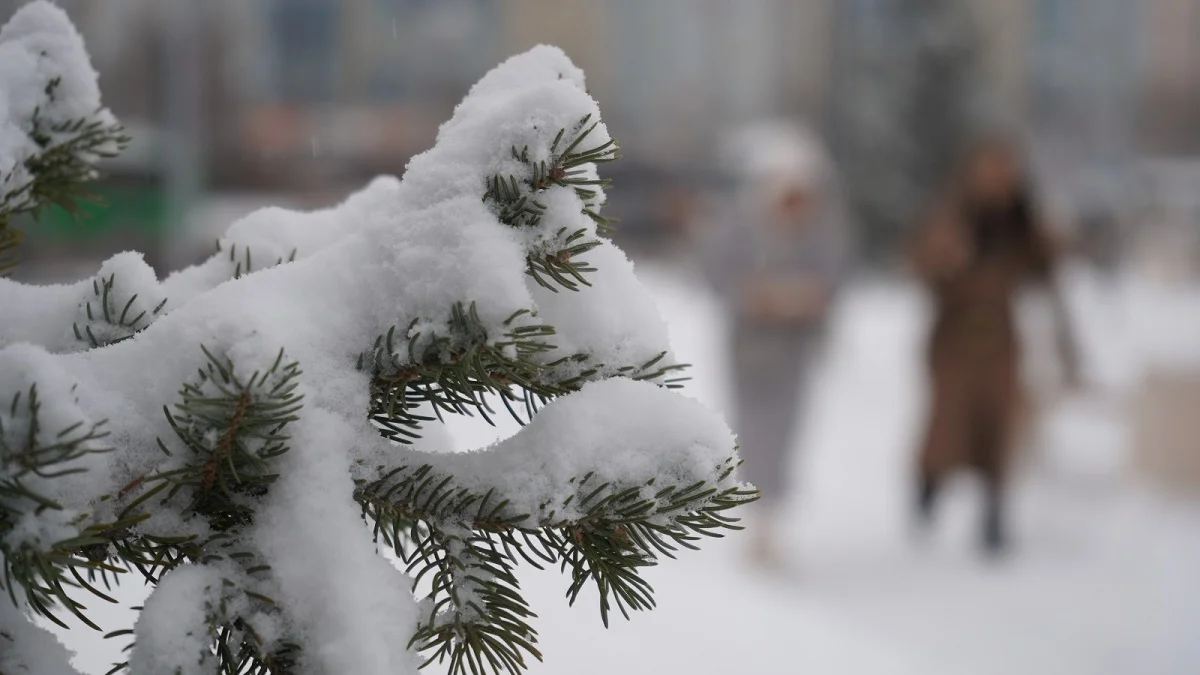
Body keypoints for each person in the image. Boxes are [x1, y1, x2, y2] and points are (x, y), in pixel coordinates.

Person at [910, 136, 1080, 555]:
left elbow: (1048, 270)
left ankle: (994, 512)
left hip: (1002, 339)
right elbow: (922, 265)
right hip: (953, 339)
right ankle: (929, 487)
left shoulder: (1022, 223)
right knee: (947, 425)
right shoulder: (953, 217)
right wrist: (946, 256)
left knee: (1000, 427)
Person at [700, 122, 853, 566]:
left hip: (795, 348)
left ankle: (772, 516)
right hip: (749, 348)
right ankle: (752, 514)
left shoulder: (823, 229)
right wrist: (753, 295)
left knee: (786, 429)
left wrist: (807, 298)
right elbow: (716, 274)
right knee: (749, 427)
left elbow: (835, 276)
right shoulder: (739, 225)